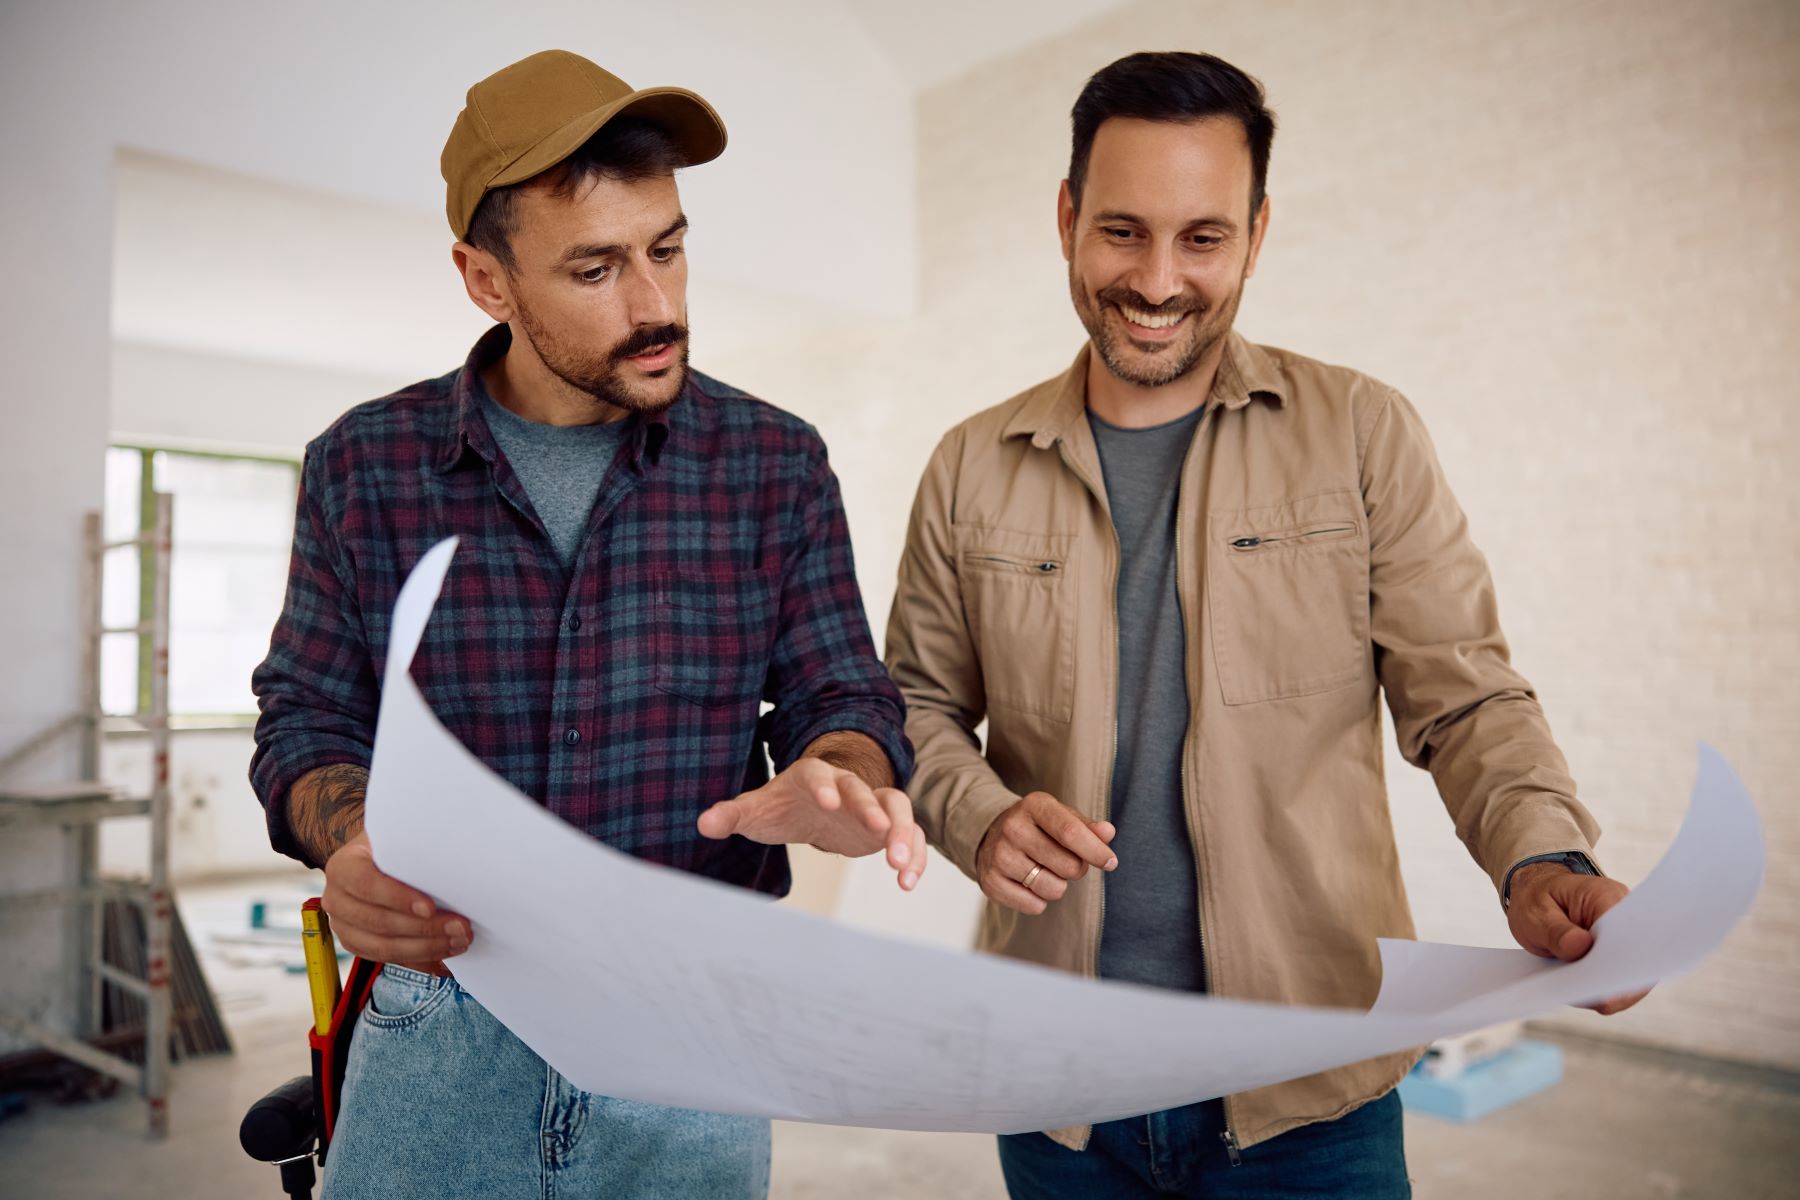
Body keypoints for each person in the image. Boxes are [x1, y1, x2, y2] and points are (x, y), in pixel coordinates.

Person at [884, 50, 1645, 1199]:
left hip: (1309, 1086)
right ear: (1066, 217)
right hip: (1060, 1091)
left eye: (1203, 237)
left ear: (1257, 231)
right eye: (1123, 231)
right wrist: (976, 814)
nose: (1157, 280)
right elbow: (917, 706)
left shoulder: (1359, 432)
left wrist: (1541, 851)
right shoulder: (970, 466)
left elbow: (1466, 691)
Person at [250, 48, 924, 1199]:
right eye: (598, 267)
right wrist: (349, 842)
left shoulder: (774, 463)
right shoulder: (362, 466)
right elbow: (307, 714)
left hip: (697, 1029)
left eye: (667, 247)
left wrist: (841, 773)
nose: (657, 304)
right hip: (436, 1031)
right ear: (487, 280)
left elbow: (844, 698)